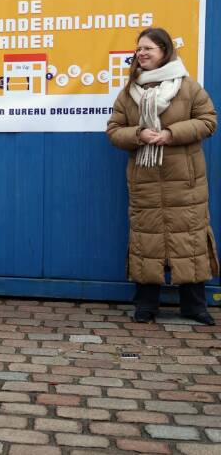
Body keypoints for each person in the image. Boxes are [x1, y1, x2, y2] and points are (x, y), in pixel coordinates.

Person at [107, 27, 218, 326]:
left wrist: (170, 134)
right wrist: (138, 134)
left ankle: (194, 306)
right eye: (139, 49)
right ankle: (146, 305)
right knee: (147, 240)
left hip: (185, 179)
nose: (141, 53)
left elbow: (208, 121)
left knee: (189, 240)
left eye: (148, 49)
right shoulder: (129, 92)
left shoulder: (188, 87)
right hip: (144, 178)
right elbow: (114, 131)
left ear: (164, 52)